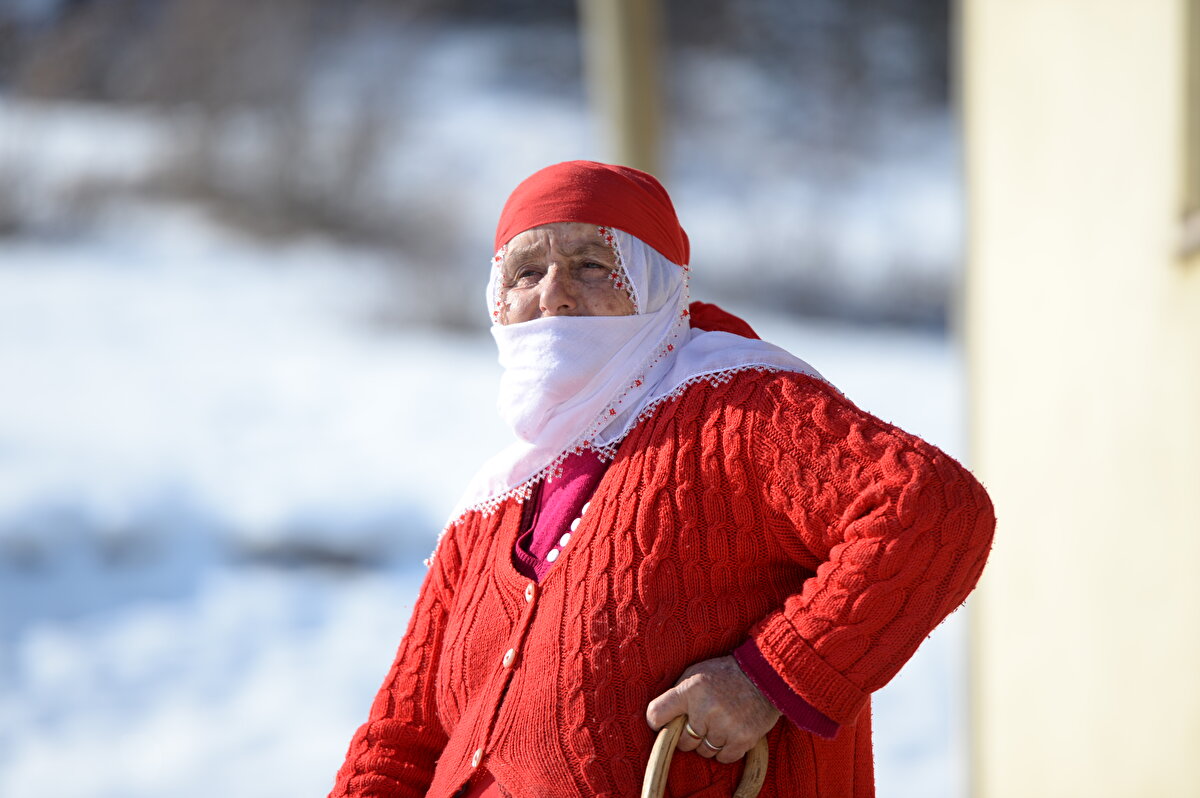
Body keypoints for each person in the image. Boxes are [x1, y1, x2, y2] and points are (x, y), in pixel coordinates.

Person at [328, 161, 994, 798]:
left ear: (657, 283)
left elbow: (929, 508)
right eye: (526, 271)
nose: (553, 293)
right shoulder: (494, 500)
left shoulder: (742, 409)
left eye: (592, 265)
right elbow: (398, 741)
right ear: (498, 301)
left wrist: (768, 681)